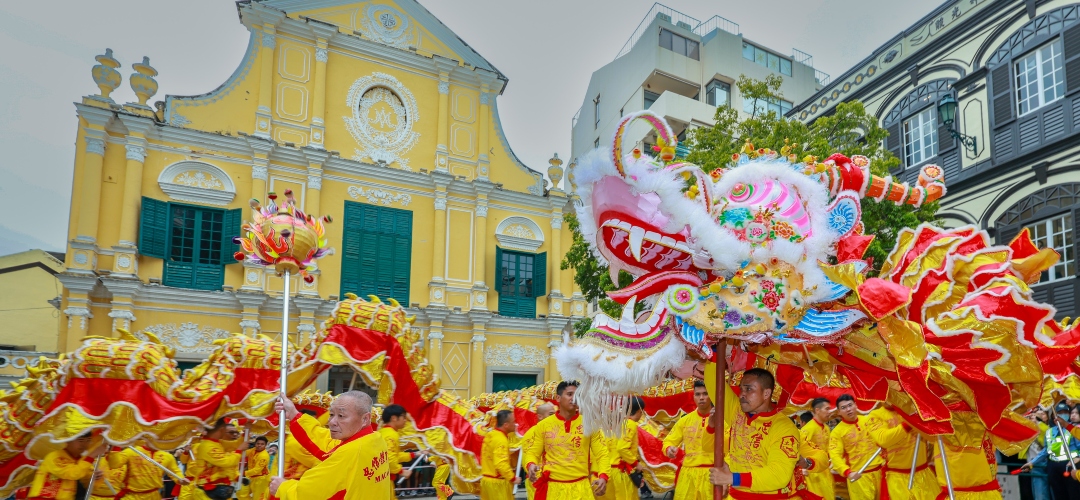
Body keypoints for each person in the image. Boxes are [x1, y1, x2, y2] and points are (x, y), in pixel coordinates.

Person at [707, 368, 825, 499]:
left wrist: (732, 478)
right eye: (741, 389)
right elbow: (714, 381)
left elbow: (779, 475)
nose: (741, 394)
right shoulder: (737, 413)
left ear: (766, 393)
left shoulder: (784, 427)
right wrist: (713, 354)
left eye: (749, 389)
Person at [269, 390, 393, 499]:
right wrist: (294, 415)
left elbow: (310, 494)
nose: (331, 422)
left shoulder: (349, 453)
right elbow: (327, 441)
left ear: (365, 419)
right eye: (331, 414)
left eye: (341, 416)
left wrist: (283, 487)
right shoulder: (375, 439)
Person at [524, 380, 610, 499]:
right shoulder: (543, 425)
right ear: (558, 398)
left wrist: (603, 476)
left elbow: (602, 454)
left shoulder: (590, 424)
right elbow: (532, 452)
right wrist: (531, 464)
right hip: (554, 488)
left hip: (581, 487)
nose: (574, 398)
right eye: (569, 394)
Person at [867, 404, 937, 500]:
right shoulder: (875, 416)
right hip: (897, 478)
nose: (890, 396)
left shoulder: (913, 409)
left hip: (924, 474)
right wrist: (910, 422)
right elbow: (884, 440)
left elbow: (933, 436)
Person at [663, 381, 715, 500]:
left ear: (712, 394)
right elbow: (668, 441)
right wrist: (669, 449)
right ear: (693, 396)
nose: (701, 398)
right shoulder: (685, 420)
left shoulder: (722, 420)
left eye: (705, 394)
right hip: (688, 474)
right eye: (698, 394)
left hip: (712, 475)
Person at [828, 394, 883, 500]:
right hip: (859, 477)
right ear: (838, 412)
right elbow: (835, 455)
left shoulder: (869, 421)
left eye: (850, 405)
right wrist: (847, 472)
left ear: (855, 405)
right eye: (843, 408)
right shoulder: (837, 432)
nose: (848, 409)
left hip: (880, 472)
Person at [1022, 406, 1080, 500]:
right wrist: (1032, 462)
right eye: (1060, 412)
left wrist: (1078, 457)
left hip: (1070, 465)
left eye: (1065, 412)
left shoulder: (1074, 429)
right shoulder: (1050, 431)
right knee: (1058, 495)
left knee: (1074, 495)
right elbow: (1046, 450)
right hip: (1053, 466)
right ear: (1054, 415)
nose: (1062, 415)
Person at [27, 433, 107, 500]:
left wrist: (95, 478)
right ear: (68, 440)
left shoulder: (81, 461)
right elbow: (72, 473)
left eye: (88, 440)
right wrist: (91, 455)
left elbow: (87, 485)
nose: (84, 444)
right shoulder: (55, 456)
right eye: (81, 440)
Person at [191, 420, 249, 500]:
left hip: (218, 490)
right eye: (230, 432)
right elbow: (226, 462)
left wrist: (246, 432)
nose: (234, 435)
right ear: (222, 429)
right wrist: (239, 450)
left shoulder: (216, 443)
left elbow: (235, 445)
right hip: (207, 493)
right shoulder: (207, 446)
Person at [601, 396, 644, 500]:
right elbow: (622, 448)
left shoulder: (617, 424)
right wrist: (636, 463)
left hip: (609, 471)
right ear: (639, 411)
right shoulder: (630, 424)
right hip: (621, 471)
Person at [113, 441, 188, 500]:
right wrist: (115, 445)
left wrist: (180, 479)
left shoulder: (167, 456)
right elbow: (114, 464)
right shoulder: (131, 451)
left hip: (154, 495)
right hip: (132, 496)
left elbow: (175, 471)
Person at [799, 398, 833, 500]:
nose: (829, 412)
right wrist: (803, 468)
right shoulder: (808, 429)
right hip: (813, 473)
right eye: (827, 409)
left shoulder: (826, 428)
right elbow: (801, 449)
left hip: (825, 470)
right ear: (817, 410)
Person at [481, 410, 519, 499]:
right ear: (506, 425)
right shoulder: (501, 440)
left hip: (487, 481)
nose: (516, 424)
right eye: (513, 422)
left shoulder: (491, 435)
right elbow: (501, 464)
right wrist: (513, 478)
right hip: (497, 483)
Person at [520, 403, 555, 500]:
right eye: (551, 414)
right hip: (539, 480)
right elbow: (529, 458)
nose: (554, 417)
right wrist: (540, 478)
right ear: (540, 416)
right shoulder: (533, 433)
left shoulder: (552, 431)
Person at [379, 404, 419, 488]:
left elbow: (395, 455)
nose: (405, 420)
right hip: (385, 481)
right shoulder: (391, 435)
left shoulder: (384, 432)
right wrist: (401, 471)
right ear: (394, 418)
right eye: (403, 417)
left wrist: (414, 454)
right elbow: (389, 458)